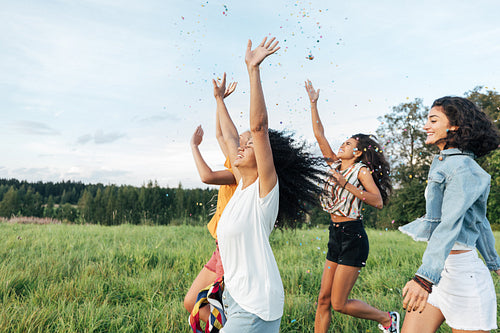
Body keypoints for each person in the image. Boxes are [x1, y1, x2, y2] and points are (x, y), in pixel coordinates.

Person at [216, 38, 325, 332]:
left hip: (255, 306)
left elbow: (259, 128)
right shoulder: (241, 188)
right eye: (242, 144)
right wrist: (219, 102)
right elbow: (227, 138)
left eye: (248, 146)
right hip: (237, 302)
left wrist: (253, 71)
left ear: (264, 155)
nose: (240, 147)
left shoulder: (264, 191)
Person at [399, 96, 500, 333]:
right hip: (443, 274)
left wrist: (424, 279)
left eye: (433, 120)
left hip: (465, 280)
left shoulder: (463, 168)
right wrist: (495, 262)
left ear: (453, 125)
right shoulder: (444, 163)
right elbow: (479, 221)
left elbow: (450, 224)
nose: (426, 126)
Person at [305, 80, 398, 333]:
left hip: (353, 237)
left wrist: (347, 184)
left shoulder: (361, 170)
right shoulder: (336, 165)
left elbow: (377, 201)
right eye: (343, 142)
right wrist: (314, 104)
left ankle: (387, 319)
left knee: (338, 303)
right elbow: (319, 134)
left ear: (357, 153)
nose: (342, 145)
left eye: (348, 144)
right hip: (335, 234)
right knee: (323, 300)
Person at [184, 79, 248, 326]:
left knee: (202, 303)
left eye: (244, 143)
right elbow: (222, 134)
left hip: (232, 252)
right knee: (193, 302)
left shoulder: (239, 175)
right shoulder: (234, 166)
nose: (237, 145)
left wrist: (194, 147)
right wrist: (219, 101)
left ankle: (234, 328)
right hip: (221, 248)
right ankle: (230, 328)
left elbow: (206, 176)